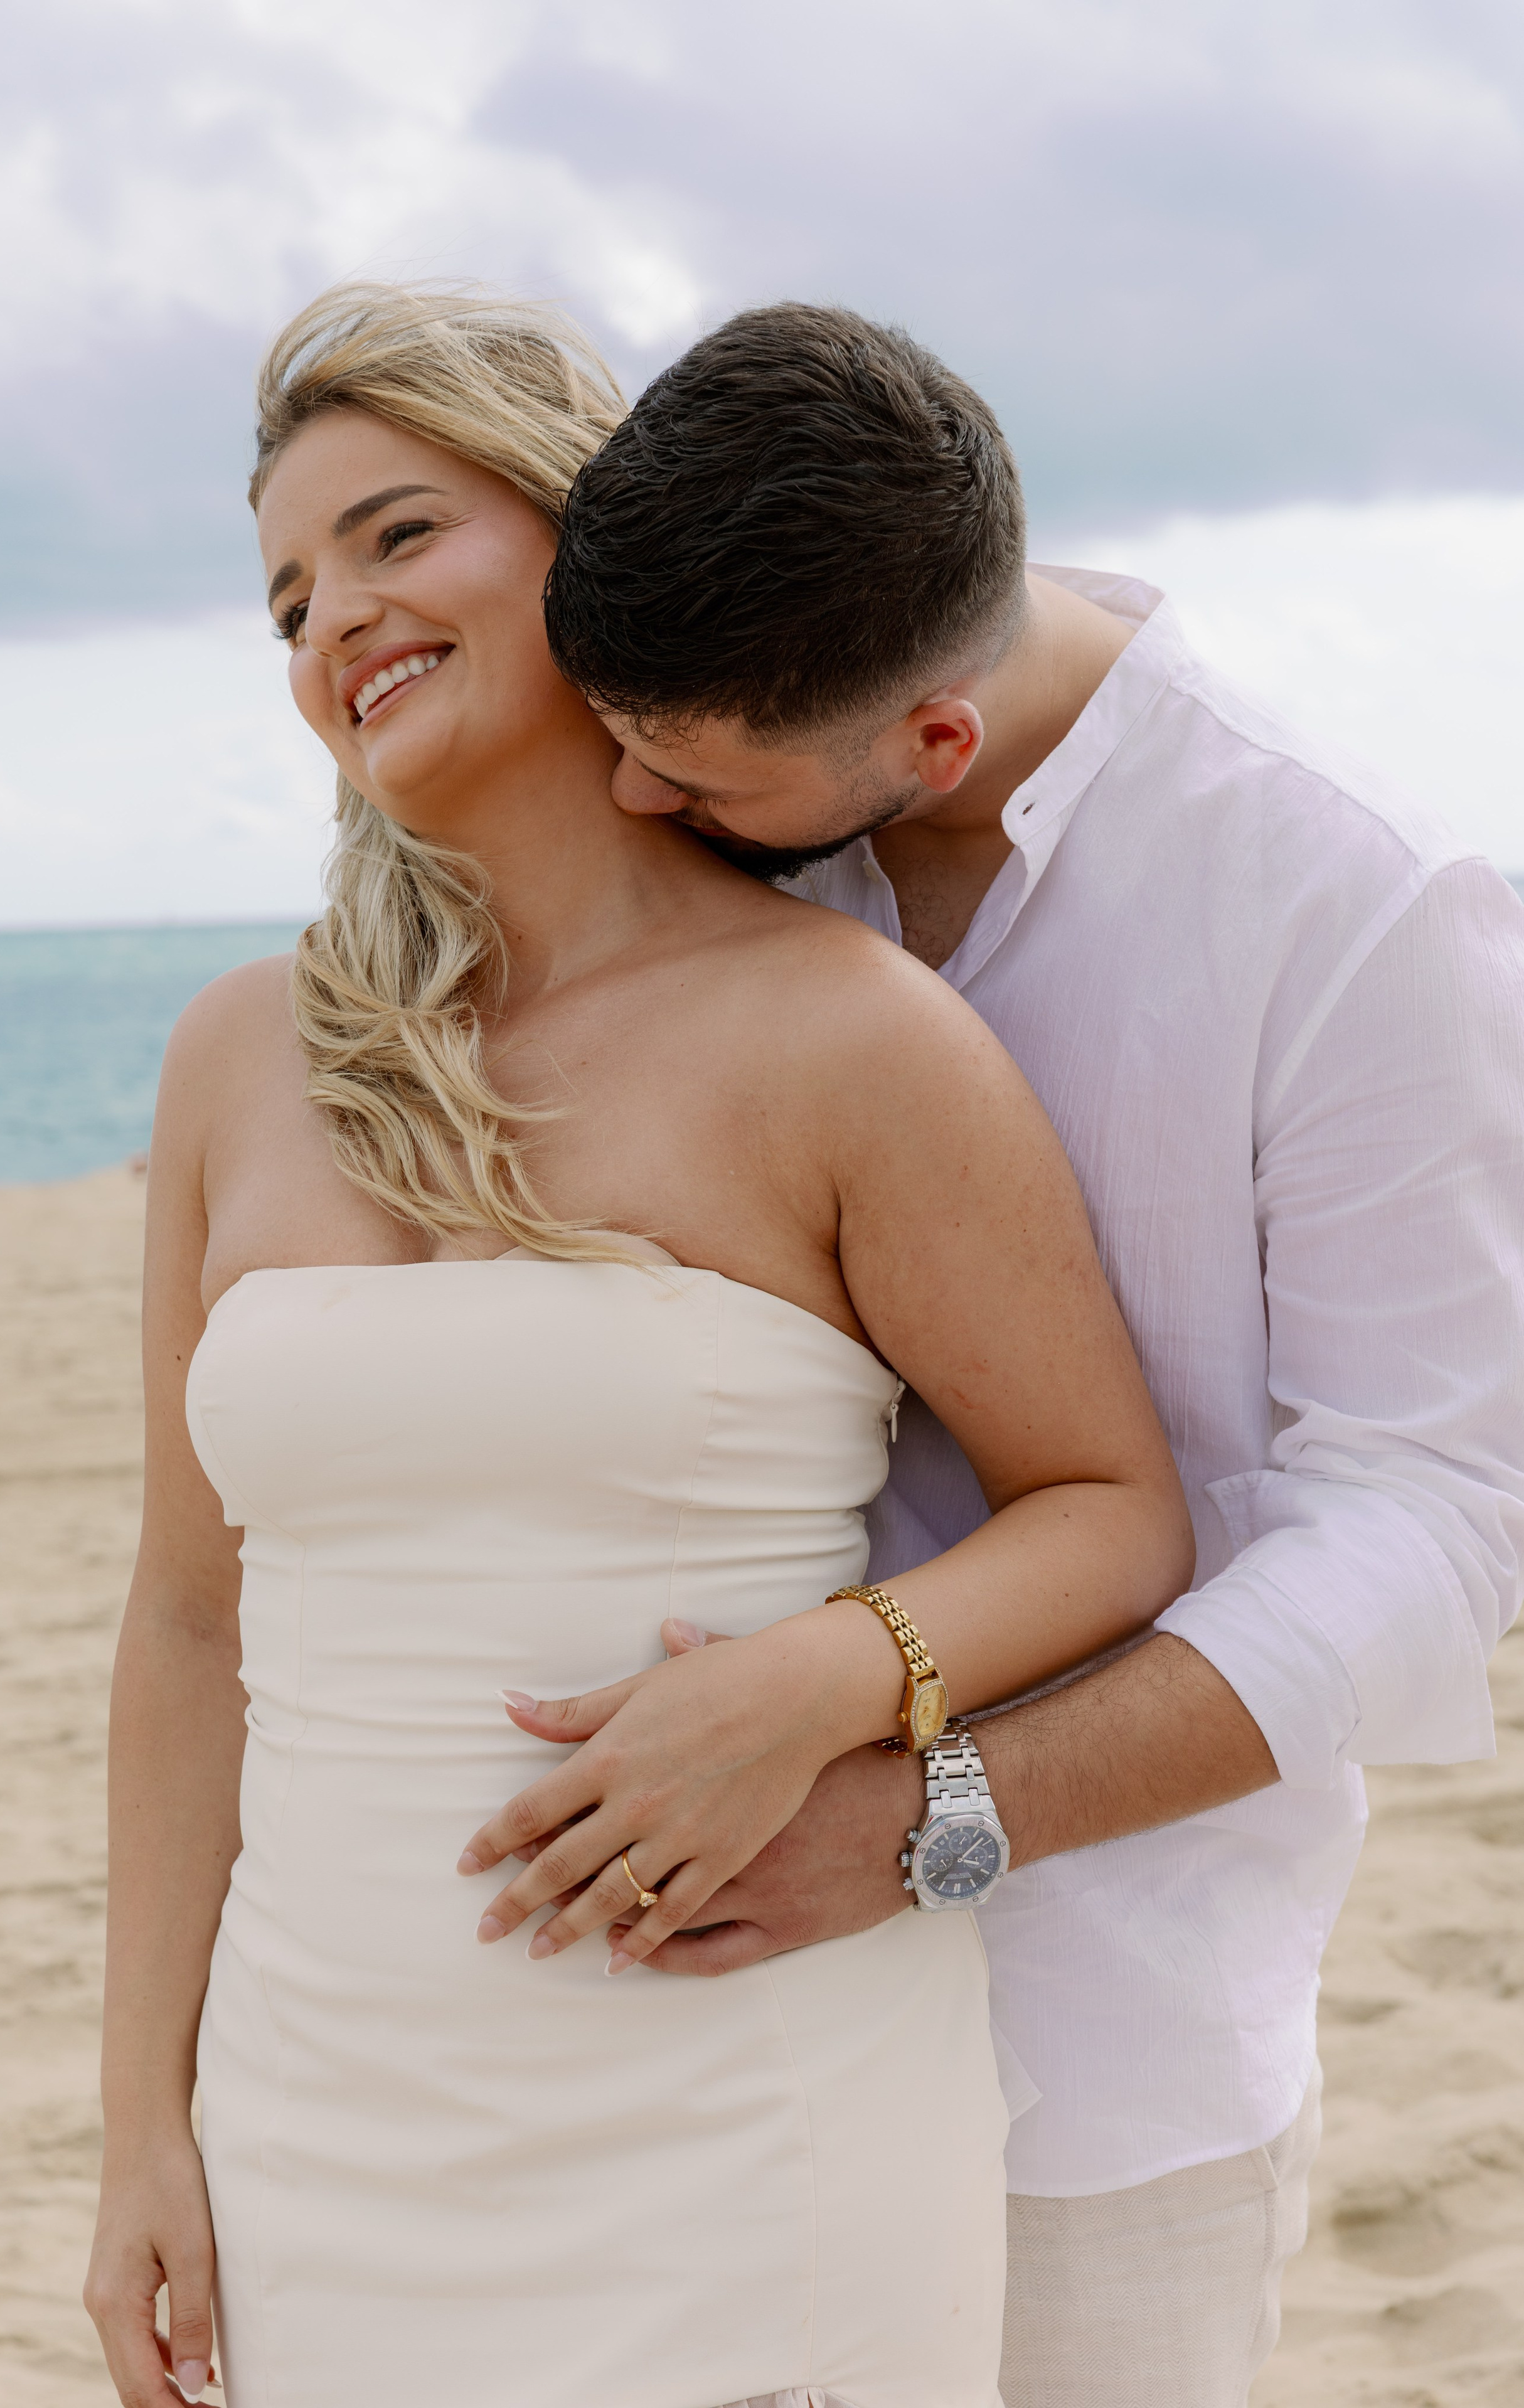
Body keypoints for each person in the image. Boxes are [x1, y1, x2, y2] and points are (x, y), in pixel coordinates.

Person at [81, 283, 1195, 2408]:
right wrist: (145, 2122)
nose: (336, 618)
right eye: (291, 594)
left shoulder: (855, 1038)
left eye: (398, 536)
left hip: (744, 2114)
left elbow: (1113, 1511)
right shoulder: (240, 1058)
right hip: (319, 2122)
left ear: (576, 534)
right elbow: (185, 1626)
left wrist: (826, 1679)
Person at [540, 302, 1524, 2408]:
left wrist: (925, 1815)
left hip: (1098, 2051)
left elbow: (1439, 1526)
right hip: (671, 2031)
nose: (623, 794)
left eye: (685, 769)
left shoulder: (1360, 901)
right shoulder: (710, 825)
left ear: (936, 749)